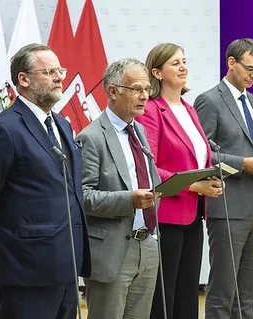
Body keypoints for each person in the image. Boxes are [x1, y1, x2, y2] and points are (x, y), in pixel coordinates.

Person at [0, 43, 90, 319]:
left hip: (67, 262)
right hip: (25, 269)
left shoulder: (61, 123)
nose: (60, 77)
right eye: (49, 72)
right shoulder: (3, 128)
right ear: (23, 79)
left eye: (60, 70)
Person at [193, 38, 253, 319]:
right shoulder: (210, 100)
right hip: (227, 207)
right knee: (223, 291)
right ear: (231, 63)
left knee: (248, 294)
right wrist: (244, 164)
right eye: (250, 68)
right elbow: (204, 155)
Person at [135, 43, 223, 319]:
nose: (184, 67)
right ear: (157, 72)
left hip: (194, 214)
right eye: (175, 63)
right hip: (166, 216)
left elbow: (198, 160)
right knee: (164, 296)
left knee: (187, 294)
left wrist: (211, 178)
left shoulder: (189, 108)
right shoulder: (151, 109)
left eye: (184, 61)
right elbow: (150, 167)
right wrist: (194, 186)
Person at [76, 58, 160, 319]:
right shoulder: (91, 137)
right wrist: (128, 200)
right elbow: (83, 197)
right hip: (111, 251)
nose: (145, 96)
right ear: (113, 91)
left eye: (147, 89)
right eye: (137, 89)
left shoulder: (140, 132)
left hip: (146, 244)